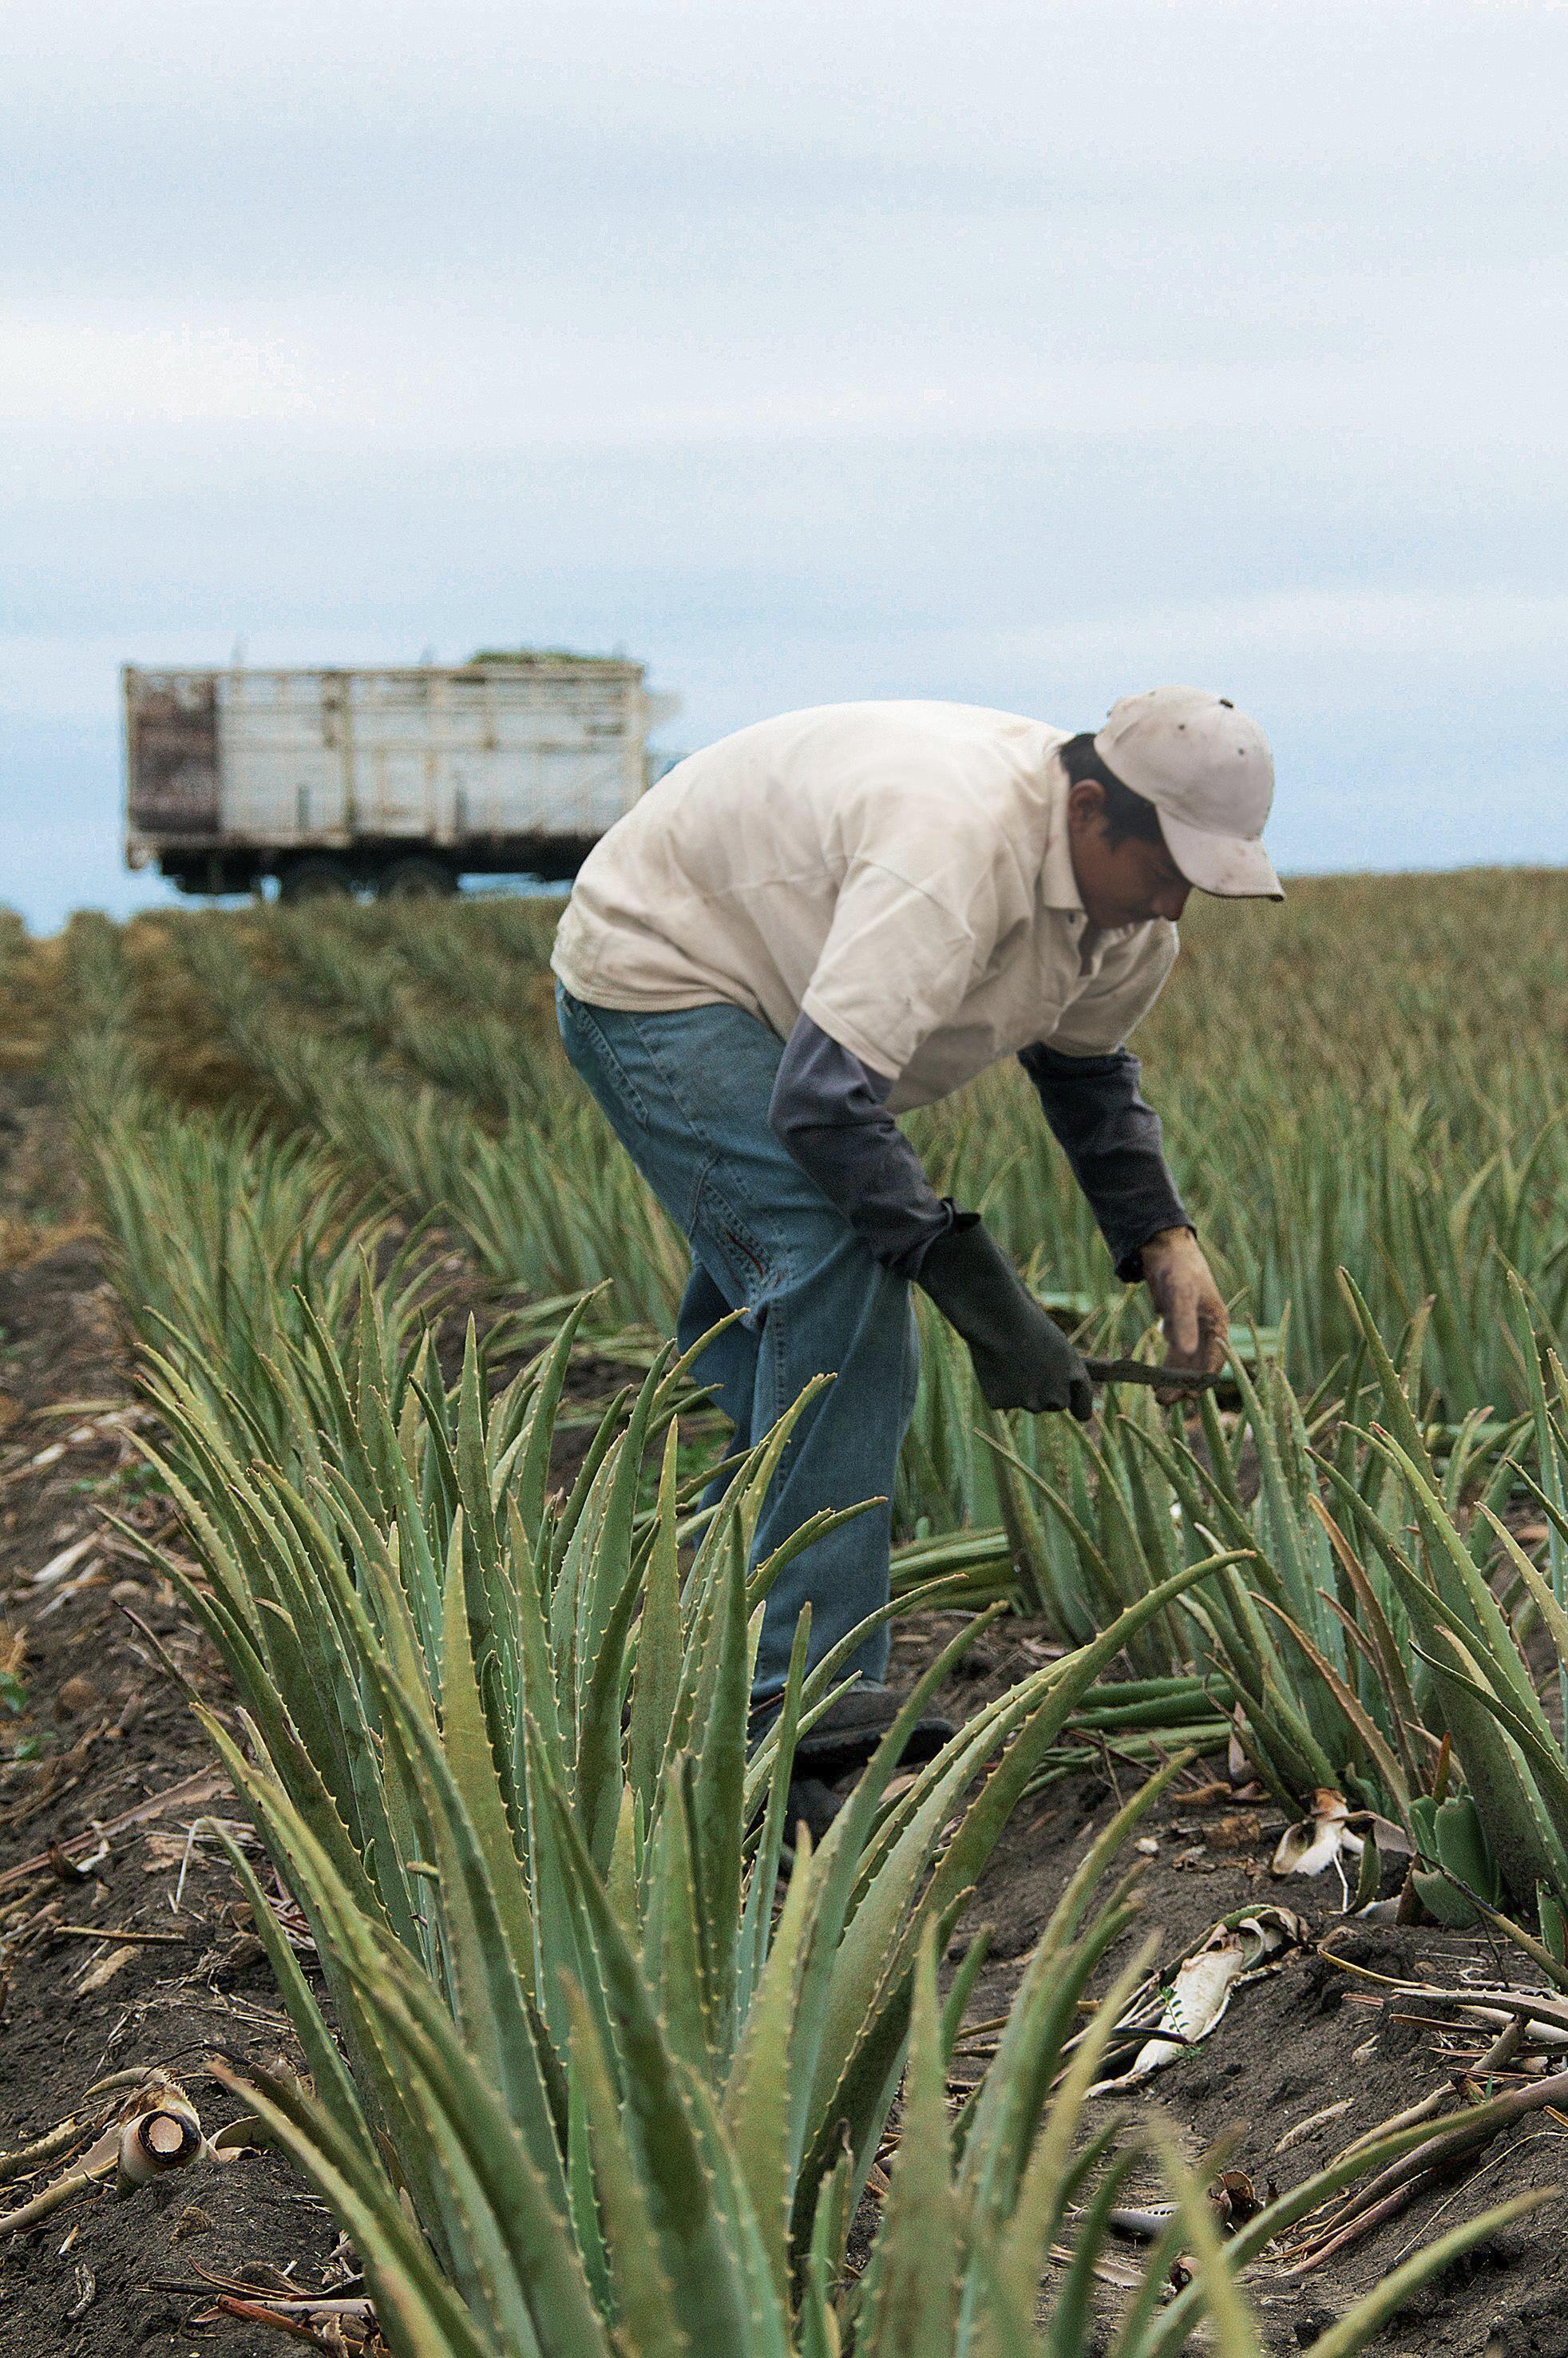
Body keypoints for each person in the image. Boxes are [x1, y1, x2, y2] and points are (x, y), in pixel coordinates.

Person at [552, 684, 1281, 1778]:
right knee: (836, 1279)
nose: (1174, 906)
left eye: (1197, 883)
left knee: (785, 1359)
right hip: (665, 969)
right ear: (1088, 810)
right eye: (1166, 871)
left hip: (786, 1011)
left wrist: (1165, 1239)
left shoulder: (1128, 920)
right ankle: (806, 1720)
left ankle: (687, 1630)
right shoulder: (953, 843)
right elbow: (824, 1101)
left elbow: (1087, 1079)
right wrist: (983, 1298)